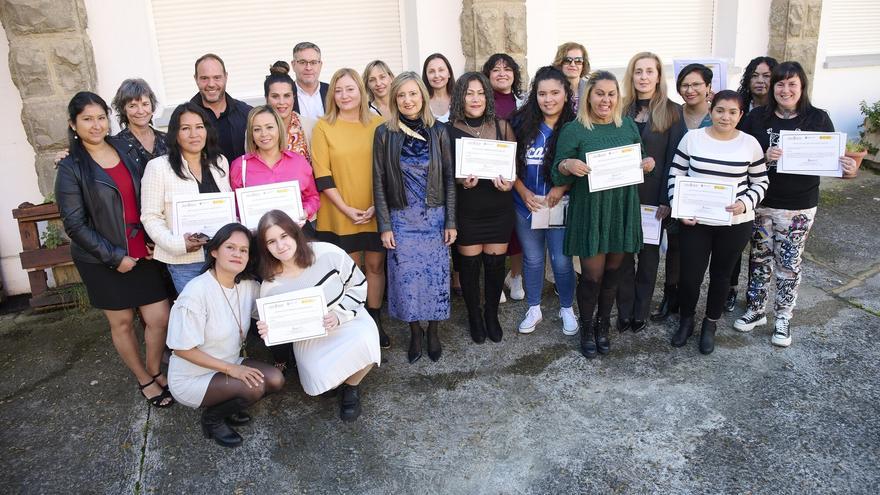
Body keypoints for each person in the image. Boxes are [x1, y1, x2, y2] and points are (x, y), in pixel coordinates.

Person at [56, 91, 173, 408]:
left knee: (159, 317)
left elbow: (149, 192)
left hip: (140, 250)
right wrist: (113, 257)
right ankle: (144, 379)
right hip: (101, 258)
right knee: (121, 322)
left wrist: (153, 237)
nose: (96, 125)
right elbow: (74, 224)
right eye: (87, 119)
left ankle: (154, 369)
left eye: (100, 118)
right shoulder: (71, 167)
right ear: (73, 124)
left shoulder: (124, 148)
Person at [734, 61, 858, 347]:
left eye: (792, 84)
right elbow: (742, 156)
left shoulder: (817, 118)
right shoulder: (757, 118)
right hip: (761, 202)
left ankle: (783, 317)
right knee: (759, 258)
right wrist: (764, 157)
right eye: (780, 83)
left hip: (799, 206)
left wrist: (847, 169)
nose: (785, 89)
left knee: (788, 262)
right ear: (773, 87)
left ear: (802, 87)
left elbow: (832, 160)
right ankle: (756, 310)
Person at [552, 71, 654, 359]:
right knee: (592, 276)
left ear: (618, 97)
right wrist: (568, 164)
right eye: (599, 94)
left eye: (611, 94)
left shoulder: (627, 126)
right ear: (589, 96)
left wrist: (647, 162)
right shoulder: (574, 130)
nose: (605, 100)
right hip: (591, 210)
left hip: (621, 208)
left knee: (613, 273)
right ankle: (586, 327)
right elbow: (557, 170)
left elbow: (640, 159)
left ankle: (603, 324)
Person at [667, 90, 769, 354]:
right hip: (695, 222)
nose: (726, 117)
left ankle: (710, 324)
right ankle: (686, 320)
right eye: (720, 110)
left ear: (740, 115)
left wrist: (744, 203)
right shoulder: (693, 138)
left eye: (732, 112)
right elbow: (676, 173)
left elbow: (761, 181)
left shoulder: (750, 144)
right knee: (690, 275)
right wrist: (679, 208)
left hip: (734, 223)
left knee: (722, 276)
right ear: (711, 111)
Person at [166, 223, 284, 448]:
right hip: (193, 376)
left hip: (228, 362)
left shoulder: (247, 285)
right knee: (254, 388)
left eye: (243, 250)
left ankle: (226, 400)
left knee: (275, 379)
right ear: (214, 251)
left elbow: (272, 311)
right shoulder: (196, 292)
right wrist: (232, 370)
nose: (237, 254)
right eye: (230, 247)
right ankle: (212, 419)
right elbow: (181, 349)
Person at [256, 210, 379, 421]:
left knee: (367, 343)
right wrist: (270, 330)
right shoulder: (270, 286)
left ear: (295, 233)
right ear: (265, 247)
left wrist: (339, 315)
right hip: (311, 336)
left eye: (284, 236)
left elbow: (358, 285)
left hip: (348, 319)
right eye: (271, 242)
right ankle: (336, 381)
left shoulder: (328, 253)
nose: (281, 246)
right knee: (318, 381)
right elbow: (281, 327)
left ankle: (351, 387)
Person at [373, 72, 457, 363]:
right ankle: (414, 332)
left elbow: (449, 179)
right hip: (401, 218)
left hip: (434, 218)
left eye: (413, 94)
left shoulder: (439, 131)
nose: (408, 100)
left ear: (422, 95)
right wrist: (384, 225)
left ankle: (433, 330)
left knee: (435, 278)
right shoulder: (384, 133)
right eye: (401, 95)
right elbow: (379, 181)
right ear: (394, 99)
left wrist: (451, 221)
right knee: (405, 280)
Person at [311, 68, 389, 348]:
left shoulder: (379, 124)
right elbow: (322, 173)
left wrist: (376, 205)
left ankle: (375, 319)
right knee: (350, 269)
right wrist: (345, 208)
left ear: (361, 92)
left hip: (374, 208)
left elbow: (388, 169)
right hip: (339, 211)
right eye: (338, 90)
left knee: (375, 265)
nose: (344, 95)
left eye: (350, 89)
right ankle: (354, 321)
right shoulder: (323, 127)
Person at [615, 52, 687, 334]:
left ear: (658, 76)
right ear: (631, 76)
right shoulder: (620, 109)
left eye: (649, 71)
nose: (643, 77)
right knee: (622, 256)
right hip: (620, 196)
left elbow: (676, 160)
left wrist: (667, 199)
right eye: (638, 71)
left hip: (653, 197)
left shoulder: (673, 112)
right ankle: (624, 309)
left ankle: (640, 311)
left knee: (648, 257)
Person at [448, 72, 516, 344]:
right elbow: (445, 174)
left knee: (495, 265)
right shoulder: (448, 130)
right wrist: (460, 180)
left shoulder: (502, 126)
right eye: (469, 93)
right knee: (469, 267)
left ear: (487, 96)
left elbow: (513, 169)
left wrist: (509, 184)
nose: (475, 99)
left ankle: (491, 314)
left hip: (499, 209)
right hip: (468, 211)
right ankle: (474, 316)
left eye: (480, 93)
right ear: (460, 97)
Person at [510, 66, 578, 335]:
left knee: (561, 260)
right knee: (533, 259)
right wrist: (523, 192)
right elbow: (508, 163)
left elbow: (582, 166)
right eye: (542, 93)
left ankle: (566, 308)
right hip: (525, 204)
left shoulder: (575, 126)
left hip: (558, 205)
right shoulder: (520, 123)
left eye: (555, 93)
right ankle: (534, 307)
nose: (548, 99)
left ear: (566, 94)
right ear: (534, 95)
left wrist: (562, 188)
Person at [141, 102, 232, 293]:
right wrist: (178, 244)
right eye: (185, 128)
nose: (194, 134)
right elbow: (150, 217)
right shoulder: (158, 167)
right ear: (175, 133)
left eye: (199, 127)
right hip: (186, 262)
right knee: (196, 310)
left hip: (223, 255)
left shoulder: (220, 162)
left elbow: (228, 208)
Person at [652, 63, 714, 323]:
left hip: (709, 195)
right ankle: (670, 296)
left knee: (698, 252)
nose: (690, 90)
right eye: (685, 85)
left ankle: (691, 302)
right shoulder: (673, 114)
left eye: (696, 84)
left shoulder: (718, 115)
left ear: (708, 87)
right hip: (676, 189)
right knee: (674, 246)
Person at [725, 56, 779, 312]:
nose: (760, 80)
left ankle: (755, 296)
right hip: (737, 190)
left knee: (760, 250)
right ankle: (730, 288)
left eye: (766, 76)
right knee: (733, 246)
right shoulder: (740, 107)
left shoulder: (782, 112)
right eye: (755, 75)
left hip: (770, 190)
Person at [482, 53, 526, 301]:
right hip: (490, 175)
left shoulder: (524, 102)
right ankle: (495, 281)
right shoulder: (482, 102)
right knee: (494, 230)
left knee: (518, 229)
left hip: (520, 173)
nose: (502, 73)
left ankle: (515, 276)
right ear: (488, 75)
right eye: (496, 69)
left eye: (507, 69)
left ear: (514, 74)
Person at [189, 53, 252, 162]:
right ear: (196, 79)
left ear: (226, 77)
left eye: (217, 77)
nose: (211, 84)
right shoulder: (184, 118)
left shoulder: (247, 113)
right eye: (204, 78)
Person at [264, 61, 315, 162]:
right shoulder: (256, 129)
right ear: (266, 98)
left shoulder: (310, 127)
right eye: (275, 96)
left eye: (287, 96)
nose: (281, 102)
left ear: (293, 97)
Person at [111, 78, 168, 163]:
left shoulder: (167, 139)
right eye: (132, 106)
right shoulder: (117, 145)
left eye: (145, 104)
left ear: (152, 106)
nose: (140, 111)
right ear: (123, 109)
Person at [291, 41, 329, 119]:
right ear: (293, 65)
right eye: (302, 62)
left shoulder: (332, 92)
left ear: (320, 65)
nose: (308, 68)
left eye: (313, 62)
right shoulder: (285, 95)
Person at [552, 42, 590, 111]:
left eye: (578, 60)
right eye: (567, 60)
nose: (573, 64)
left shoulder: (591, 90)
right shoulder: (550, 89)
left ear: (583, 65)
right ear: (560, 63)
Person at [422, 53, 455, 123]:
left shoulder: (460, 99)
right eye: (431, 71)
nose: (436, 75)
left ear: (449, 73)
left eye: (441, 70)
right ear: (426, 76)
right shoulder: (421, 102)